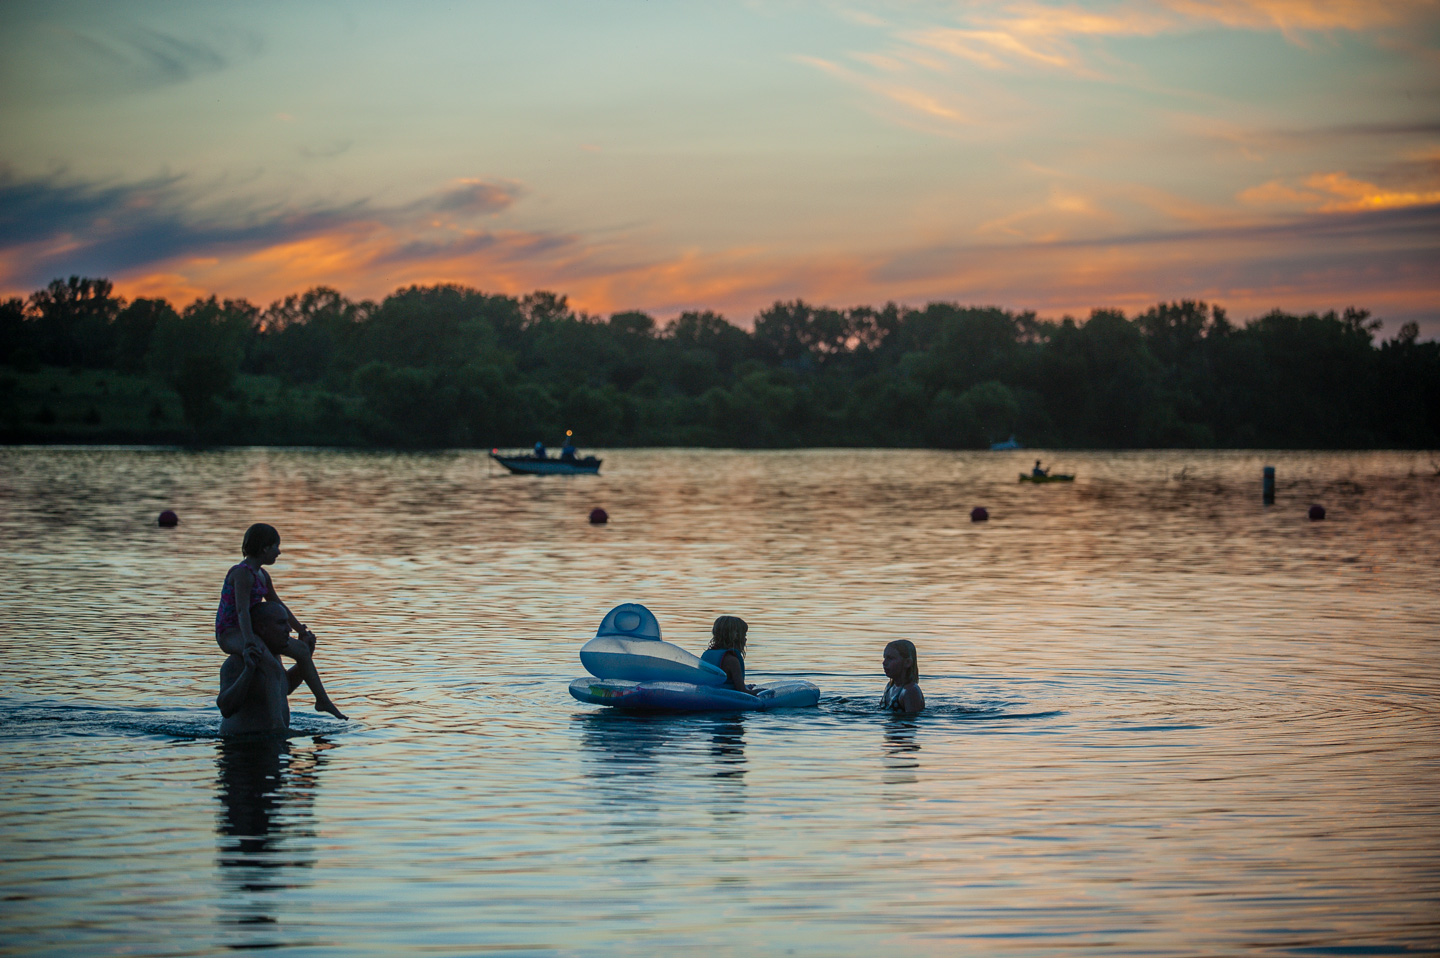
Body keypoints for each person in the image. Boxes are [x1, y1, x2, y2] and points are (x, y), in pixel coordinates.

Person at [216, 523, 346, 720]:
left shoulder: (262, 575)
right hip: (231, 632)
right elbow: (242, 610)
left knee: (302, 651)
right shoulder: (241, 573)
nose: (279, 552)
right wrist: (250, 640)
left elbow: (277, 603)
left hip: (251, 629)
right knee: (269, 663)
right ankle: (277, 722)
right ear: (264, 548)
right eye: (276, 546)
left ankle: (322, 700)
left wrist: (299, 628)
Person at [217, 603, 311, 734]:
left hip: (275, 748)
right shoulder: (236, 662)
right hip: (240, 748)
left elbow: (285, 688)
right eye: (281, 623)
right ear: (262, 628)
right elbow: (225, 708)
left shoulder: (274, 658)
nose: (289, 629)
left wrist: (305, 658)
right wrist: (248, 671)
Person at [701, 615, 756, 695]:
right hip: (724, 700)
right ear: (736, 637)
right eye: (744, 635)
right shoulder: (732, 660)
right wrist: (762, 691)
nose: (745, 639)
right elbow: (742, 691)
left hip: (707, 696)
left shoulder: (706, 655)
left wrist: (748, 686)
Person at [881, 640, 925, 713]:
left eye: (890, 658)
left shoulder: (910, 691)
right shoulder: (890, 686)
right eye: (884, 658)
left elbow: (912, 720)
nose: (884, 663)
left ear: (907, 662)